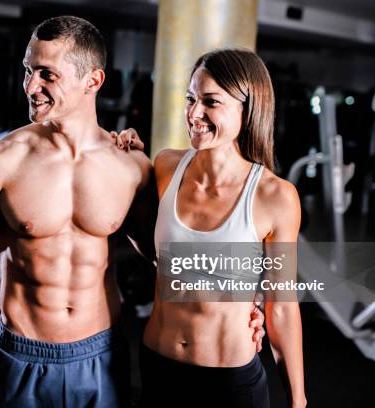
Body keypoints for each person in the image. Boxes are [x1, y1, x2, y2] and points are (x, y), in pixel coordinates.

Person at [0, 16, 264, 408]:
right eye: (28, 70)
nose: (30, 86)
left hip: (102, 357)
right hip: (20, 355)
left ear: (92, 81)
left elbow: (166, 254)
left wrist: (246, 301)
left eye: (46, 74)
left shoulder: (130, 166)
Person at [130, 49, 306, 407]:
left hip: (228, 382)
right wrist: (126, 159)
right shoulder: (165, 166)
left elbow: (282, 307)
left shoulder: (276, 196)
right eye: (191, 99)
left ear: (248, 108)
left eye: (211, 102)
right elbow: (156, 254)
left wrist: (298, 400)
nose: (194, 114)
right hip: (156, 364)